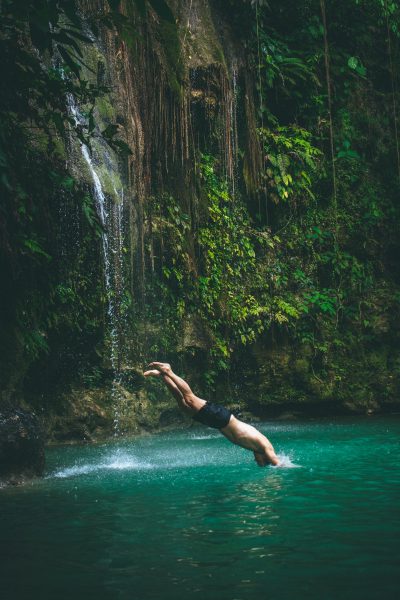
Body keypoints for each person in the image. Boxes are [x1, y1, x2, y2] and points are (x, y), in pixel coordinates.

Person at [144, 362, 280, 467]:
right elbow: (276, 462)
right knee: (190, 398)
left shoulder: (257, 449)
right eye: (258, 461)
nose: (255, 461)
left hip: (216, 423)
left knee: (183, 405)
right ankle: (169, 370)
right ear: (265, 457)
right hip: (222, 418)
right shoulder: (266, 447)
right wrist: (282, 466)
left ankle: (162, 375)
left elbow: (262, 462)